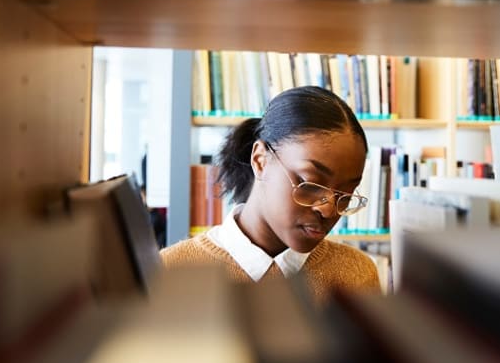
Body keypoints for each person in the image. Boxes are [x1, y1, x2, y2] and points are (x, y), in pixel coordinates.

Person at [160, 85, 381, 303]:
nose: (328, 209)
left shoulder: (357, 275)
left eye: (346, 193)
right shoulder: (169, 272)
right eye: (310, 183)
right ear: (260, 160)